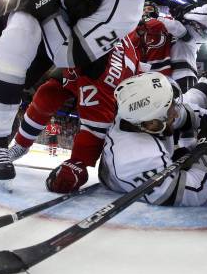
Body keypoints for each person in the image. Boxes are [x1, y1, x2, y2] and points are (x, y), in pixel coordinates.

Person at [0, 0, 184, 181]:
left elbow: (65, 55)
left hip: (73, 44)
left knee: (36, 78)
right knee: (19, 38)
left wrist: (48, 4)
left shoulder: (129, 13)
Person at [8, 36, 141, 192]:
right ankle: (21, 145)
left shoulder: (103, 79)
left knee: (96, 128)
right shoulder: (88, 45)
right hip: (86, 55)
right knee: (47, 94)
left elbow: (95, 131)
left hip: (107, 80)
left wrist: (78, 164)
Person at [98, 72, 207, 206]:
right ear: (151, 124)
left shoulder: (144, 115)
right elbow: (193, 193)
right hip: (135, 173)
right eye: (170, 109)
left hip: (153, 159)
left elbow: (188, 115)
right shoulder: (137, 158)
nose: (176, 113)